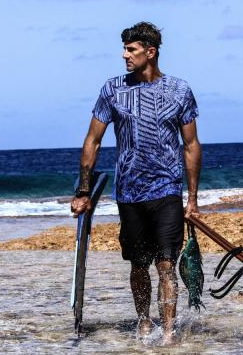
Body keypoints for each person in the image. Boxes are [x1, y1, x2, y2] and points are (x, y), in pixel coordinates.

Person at [71, 21, 202, 345]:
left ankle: (169, 332)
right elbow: (93, 140)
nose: (124, 55)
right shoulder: (112, 89)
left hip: (167, 189)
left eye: (131, 49)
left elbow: (191, 145)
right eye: (125, 49)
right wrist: (83, 191)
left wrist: (193, 199)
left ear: (150, 51)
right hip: (128, 192)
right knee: (138, 264)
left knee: (166, 264)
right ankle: (144, 321)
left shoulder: (179, 91)